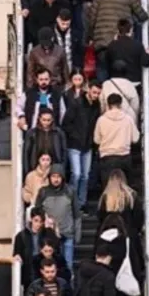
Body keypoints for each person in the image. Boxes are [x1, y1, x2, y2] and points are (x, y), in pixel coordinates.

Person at [96, 213, 143, 296]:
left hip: (106, 283)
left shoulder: (100, 241)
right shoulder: (126, 241)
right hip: (124, 283)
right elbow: (135, 263)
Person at [84, 0, 149, 81]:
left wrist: (90, 36)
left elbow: (91, 19)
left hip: (102, 43)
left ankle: (103, 91)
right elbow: (142, 16)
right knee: (121, 77)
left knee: (102, 74)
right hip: (121, 45)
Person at [61, 79, 102, 211]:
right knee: (77, 174)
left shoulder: (96, 106)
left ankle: (81, 202)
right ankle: (73, 201)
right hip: (75, 143)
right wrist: (74, 136)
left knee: (84, 175)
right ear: (88, 89)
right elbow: (66, 123)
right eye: (94, 92)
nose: (96, 95)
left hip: (87, 144)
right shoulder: (76, 103)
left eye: (98, 93)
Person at [35, 164, 80, 270]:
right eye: (53, 176)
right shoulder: (43, 192)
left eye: (58, 176)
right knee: (49, 264)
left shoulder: (70, 191)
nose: (56, 179)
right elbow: (37, 212)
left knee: (68, 265)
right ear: (49, 177)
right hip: (49, 236)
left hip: (67, 233)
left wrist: (77, 234)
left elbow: (77, 214)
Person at [95, 93, 140, 186]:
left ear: (108, 105)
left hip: (107, 158)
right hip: (124, 157)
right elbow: (135, 138)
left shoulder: (101, 120)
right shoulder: (128, 119)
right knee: (125, 187)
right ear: (121, 104)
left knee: (108, 188)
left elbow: (97, 140)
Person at [13, 207, 58, 288]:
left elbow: (56, 249)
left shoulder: (49, 233)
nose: (38, 224)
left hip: (45, 270)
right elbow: (16, 253)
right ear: (31, 219)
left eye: (41, 221)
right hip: (29, 271)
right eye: (36, 221)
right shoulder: (21, 236)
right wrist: (17, 256)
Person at [103, 18, 149, 86]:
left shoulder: (111, 45)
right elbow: (145, 63)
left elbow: (106, 63)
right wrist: (148, 53)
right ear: (131, 30)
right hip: (134, 82)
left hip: (116, 82)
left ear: (118, 30)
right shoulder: (137, 45)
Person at [97, 168, 143, 241]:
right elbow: (138, 218)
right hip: (128, 236)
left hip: (107, 237)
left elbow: (100, 218)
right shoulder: (131, 197)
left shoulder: (105, 197)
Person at [23, 107, 68, 175]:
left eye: (48, 120)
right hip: (35, 167)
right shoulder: (32, 133)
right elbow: (26, 153)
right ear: (39, 118)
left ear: (52, 119)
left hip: (54, 166)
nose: (46, 122)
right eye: (44, 120)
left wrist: (62, 168)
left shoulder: (59, 133)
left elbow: (64, 151)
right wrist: (27, 172)